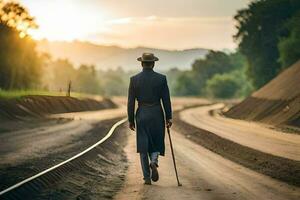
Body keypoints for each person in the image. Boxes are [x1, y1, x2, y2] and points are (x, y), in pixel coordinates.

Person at [127, 53, 172, 185]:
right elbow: (166, 100)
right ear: (153, 64)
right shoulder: (161, 79)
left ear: (142, 64)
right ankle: (154, 161)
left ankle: (147, 178)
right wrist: (169, 117)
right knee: (157, 141)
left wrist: (131, 119)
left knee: (143, 146)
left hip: (141, 114)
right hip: (157, 113)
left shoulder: (134, 79)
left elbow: (130, 102)